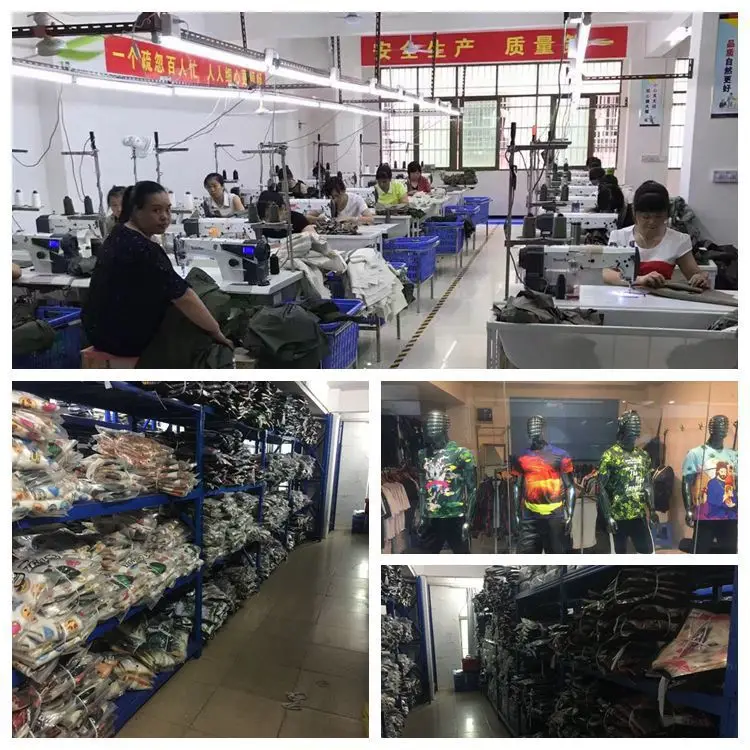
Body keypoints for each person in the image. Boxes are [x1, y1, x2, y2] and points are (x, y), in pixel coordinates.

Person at [83, 181, 232, 358]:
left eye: (168, 210)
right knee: (208, 299)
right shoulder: (144, 249)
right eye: (156, 210)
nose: (165, 217)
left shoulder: (118, 233)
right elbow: (184, 297)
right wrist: (216, 331)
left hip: (97, 332)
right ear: (136, 211)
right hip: (125, 340)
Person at [604, 180, 709, 289]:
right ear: (634, 213)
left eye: (658, 216)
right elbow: (607, 273)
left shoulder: (678, 240)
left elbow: (694, 274)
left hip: (661, 298)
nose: (652, 222)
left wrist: (700, 278)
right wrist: (640, 280)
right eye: (646, 217)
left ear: (667, 214)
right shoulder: (619, 237)